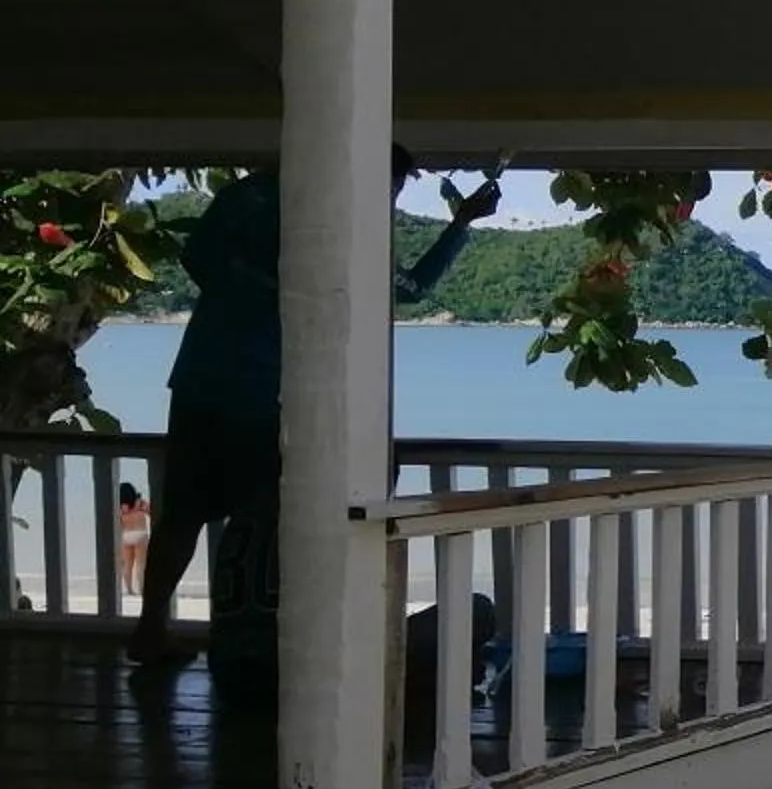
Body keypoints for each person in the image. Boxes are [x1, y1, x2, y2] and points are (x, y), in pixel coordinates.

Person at [129, 153, 501, 665]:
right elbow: (410, 290)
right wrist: (460, 224)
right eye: (388, 192)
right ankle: (280, 644)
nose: (386, 204)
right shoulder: (339, 231)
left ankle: (154, 631)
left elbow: (196, 258)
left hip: (202, 379)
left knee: (182, 517)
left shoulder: (249, 195)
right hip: (273, 396)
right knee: (284, 514)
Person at [116, 480, 150, 595]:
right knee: (141, 564)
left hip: (126, 535)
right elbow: (151, 511)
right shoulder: (139, 503)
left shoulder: (119, 507)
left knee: (127, 565)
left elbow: (118, 523)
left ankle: (129, 590)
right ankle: (141, 589)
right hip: (140, 533)